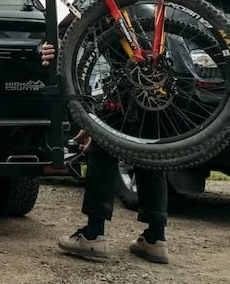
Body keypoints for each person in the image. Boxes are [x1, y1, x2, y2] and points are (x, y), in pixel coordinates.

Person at [41, 41, 170, 264]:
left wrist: (93, 122)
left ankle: (93, 235)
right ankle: (156, 239)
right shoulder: (145, 12)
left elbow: (93, 70)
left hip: (121, 86)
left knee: (102, 147)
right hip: (155, 87)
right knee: (150, 152)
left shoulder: (98, 16)